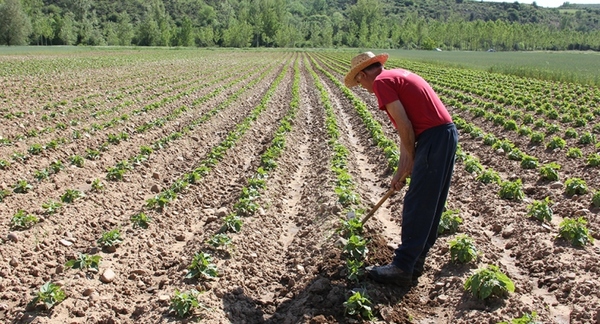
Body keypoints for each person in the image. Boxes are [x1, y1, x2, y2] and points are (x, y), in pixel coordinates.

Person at [344, 52, 458, 286]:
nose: (363, 88)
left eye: (359, 82)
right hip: (442, 135)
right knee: (430, 202)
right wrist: (402, 168)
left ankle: (402, 266)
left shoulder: (381, 83)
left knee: (418, 203)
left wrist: (413, 160)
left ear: (364, 74)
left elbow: (405, 126)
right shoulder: (396, 76)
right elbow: (407, 131)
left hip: (433, 139)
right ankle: (415, 261)